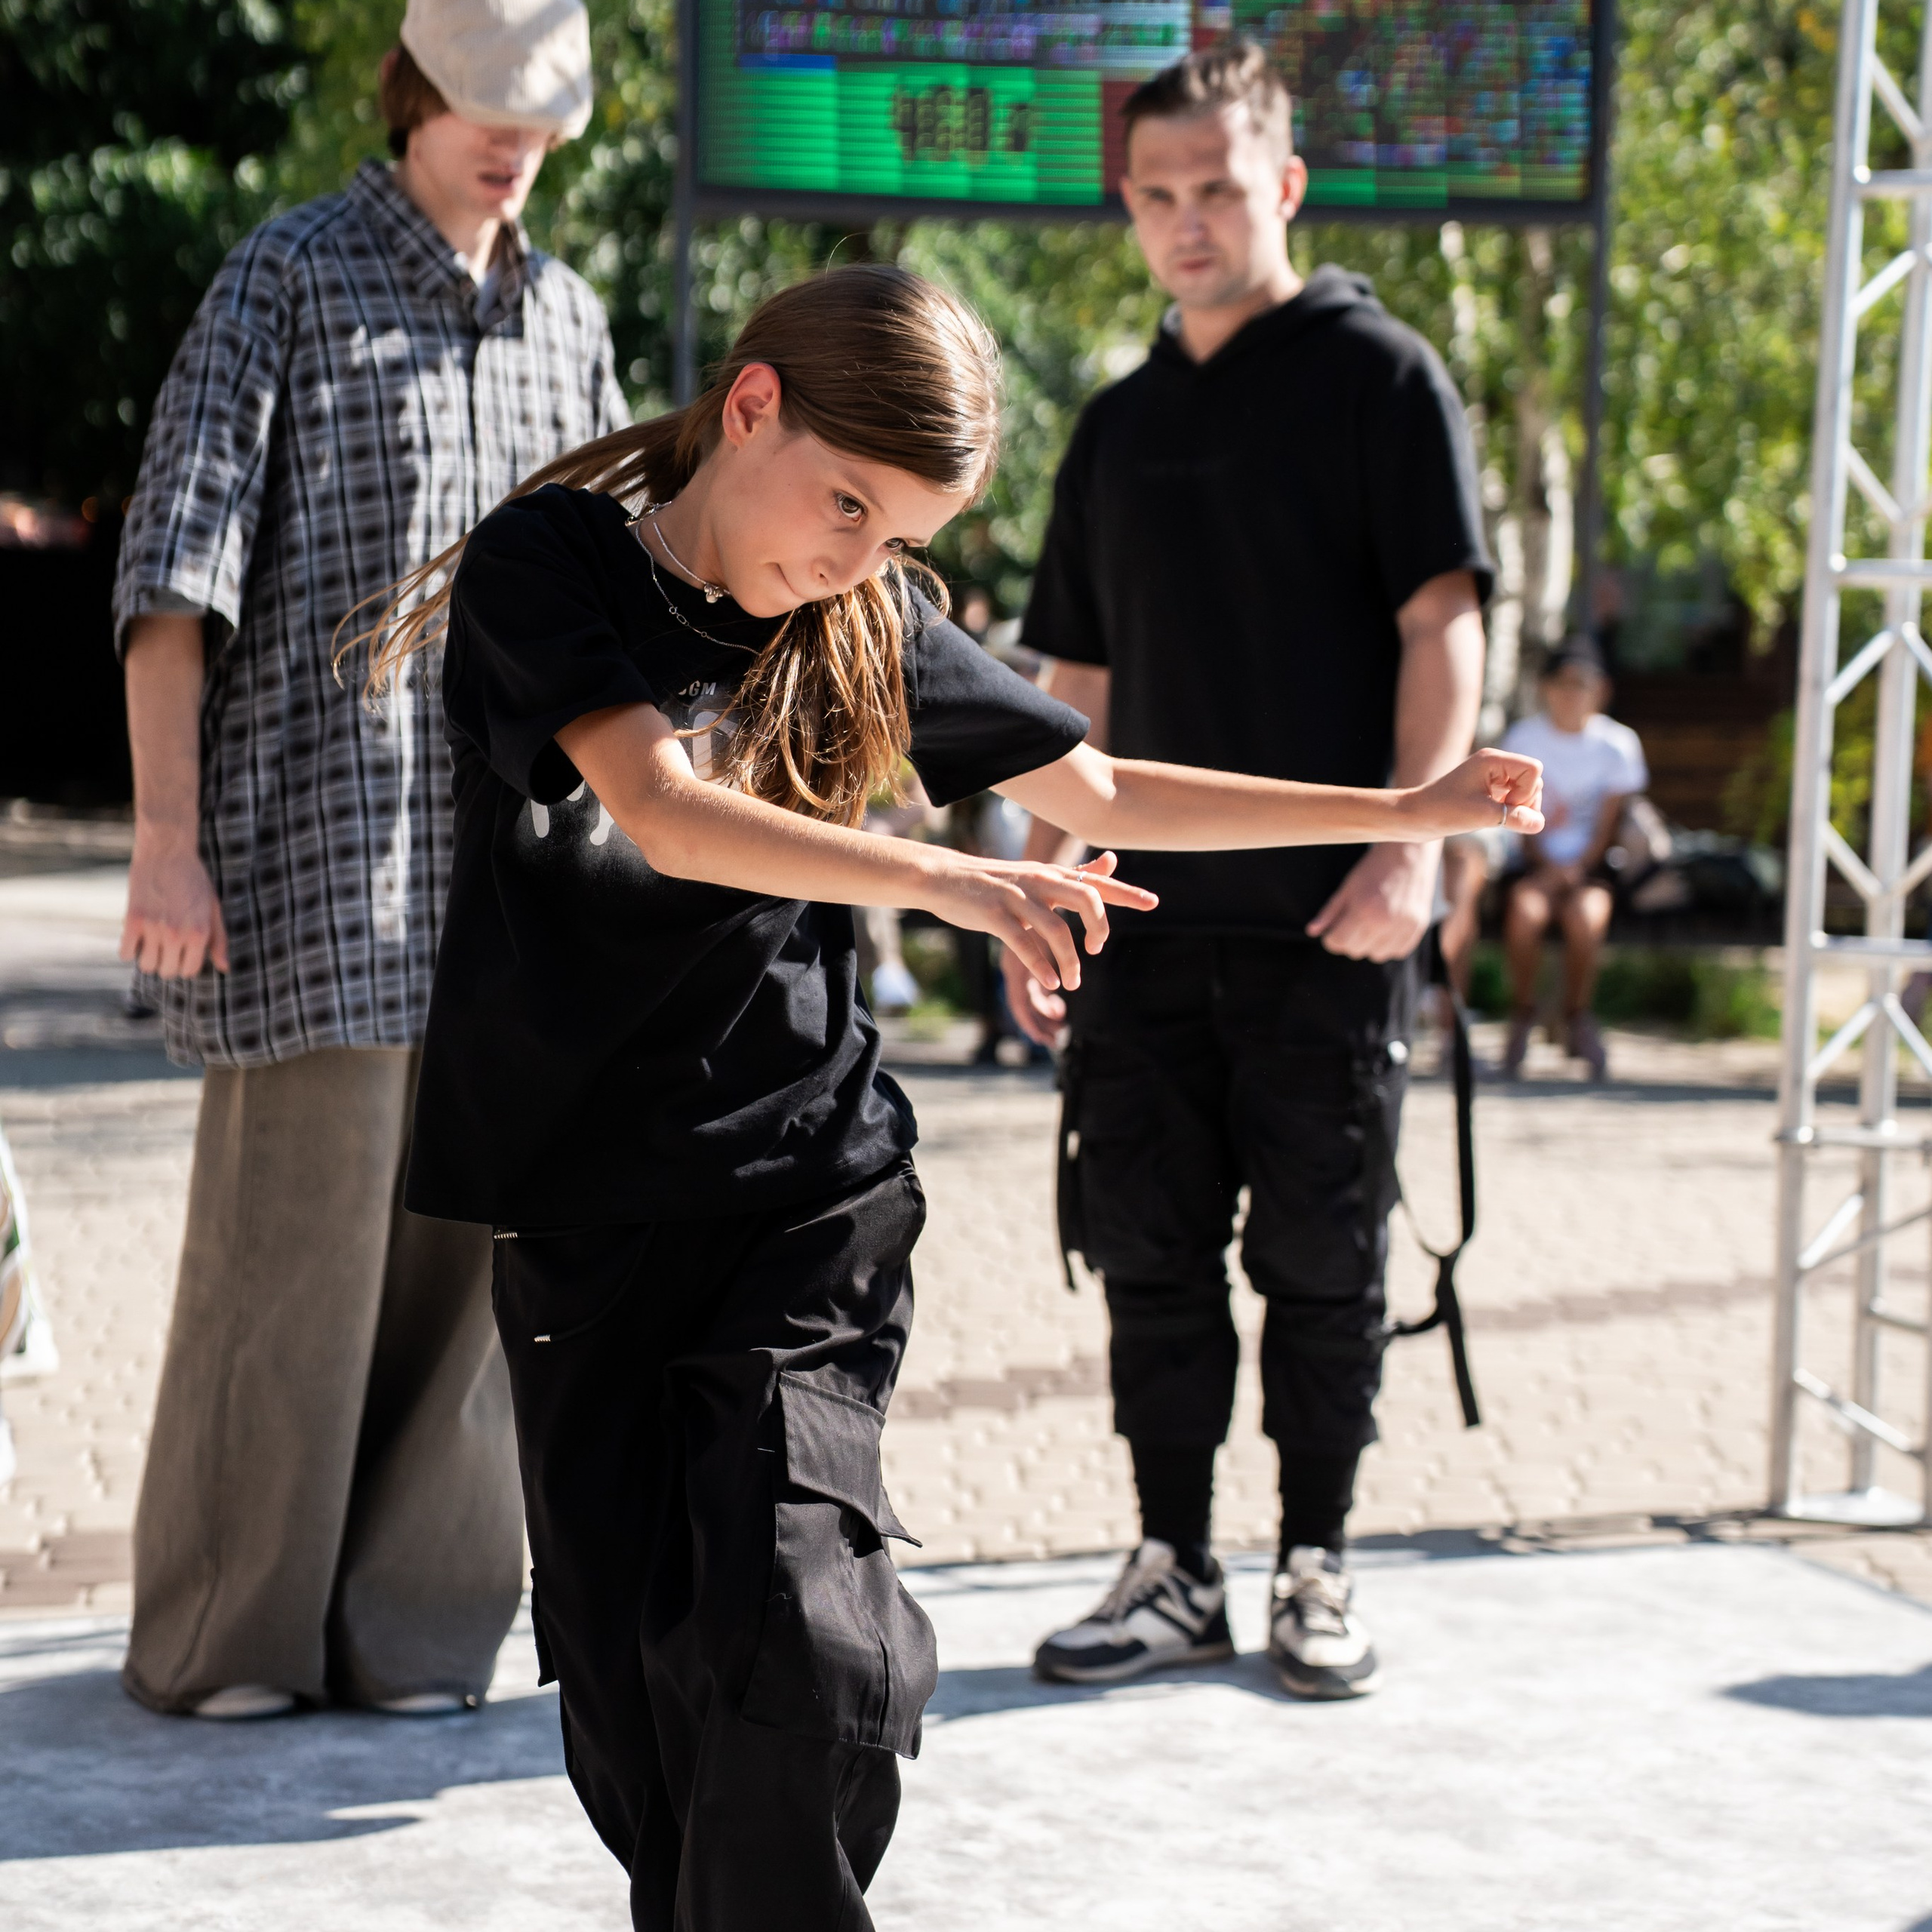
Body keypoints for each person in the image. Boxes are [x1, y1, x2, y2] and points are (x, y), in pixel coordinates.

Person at [354, 265, 1540, 1930]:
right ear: (751, 406)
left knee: (802, 1636)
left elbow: (1101, 787)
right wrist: (952, 879)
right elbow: (663, 811)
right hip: (588, 1201)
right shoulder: (550, 563)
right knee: (637, 1695)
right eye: (847, 504)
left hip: (807, 1192)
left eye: (900, 535)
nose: (859, 560)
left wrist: (1402, 806)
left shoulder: (864, 618)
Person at [110, 0, 627, 1721]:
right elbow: (173, 581)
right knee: (288, 1274)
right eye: (484, 106)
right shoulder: (285, 277)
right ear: (412, 89)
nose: (512, 144)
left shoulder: (568, 321)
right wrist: (166, 846)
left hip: (517, 887)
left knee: (480, 1284)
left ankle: (419, 1631)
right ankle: (231, 1634)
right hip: (312, 871)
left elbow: (620, 609)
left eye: (539, 118)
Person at [1002, 41, 1495, 1701]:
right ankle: (1174, 1567)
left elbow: (1443, 622)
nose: (1185, 222)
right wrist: (1035, 878)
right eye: (1155, 196)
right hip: (1139, 929)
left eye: (1215, 187)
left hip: (1328, 924)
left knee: (1323, 1259)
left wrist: (1409, 849)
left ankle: (1315, 1562)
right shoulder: (1117, 426)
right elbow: (1074, 682)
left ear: (1283, 183)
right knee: (1147, 1257)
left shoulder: (1381, 380)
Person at [1498, 637, 1649, 1080]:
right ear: (1545, 688)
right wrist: (1546, 867)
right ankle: (1523, 1013)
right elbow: (1512, 810)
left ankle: (1577, 1014)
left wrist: (1577, 870)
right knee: (1525, 914)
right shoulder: (1523, 738)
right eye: (1562, 683)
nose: (1571, 694)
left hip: (1591, 870)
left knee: (1587, 919)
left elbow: (1609, 822)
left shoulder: (1617, 744)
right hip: (1535, 865)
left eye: (1581, 683)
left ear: (1600, 690)